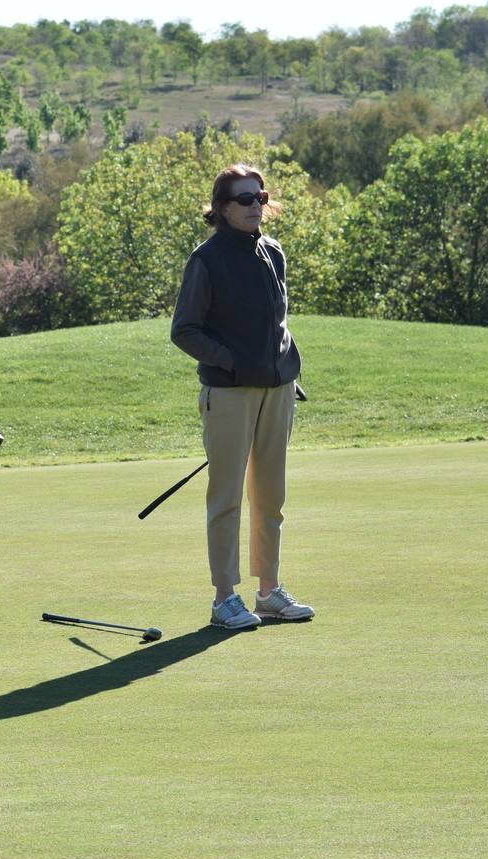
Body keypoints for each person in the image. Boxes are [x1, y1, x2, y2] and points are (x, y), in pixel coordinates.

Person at [170, 165, 316, 630]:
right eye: (244, 199)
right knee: (227, 498)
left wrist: (284, 368)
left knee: (270, 497)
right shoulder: (206, 260)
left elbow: (277, 323)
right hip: (228, 393)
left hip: (278, 391)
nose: (255, 206)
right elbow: (185, 330)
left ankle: (268, 592)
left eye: (260, 197)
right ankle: (224, 598)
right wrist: (232, 362)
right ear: (221, 208)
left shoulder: (273, 252)